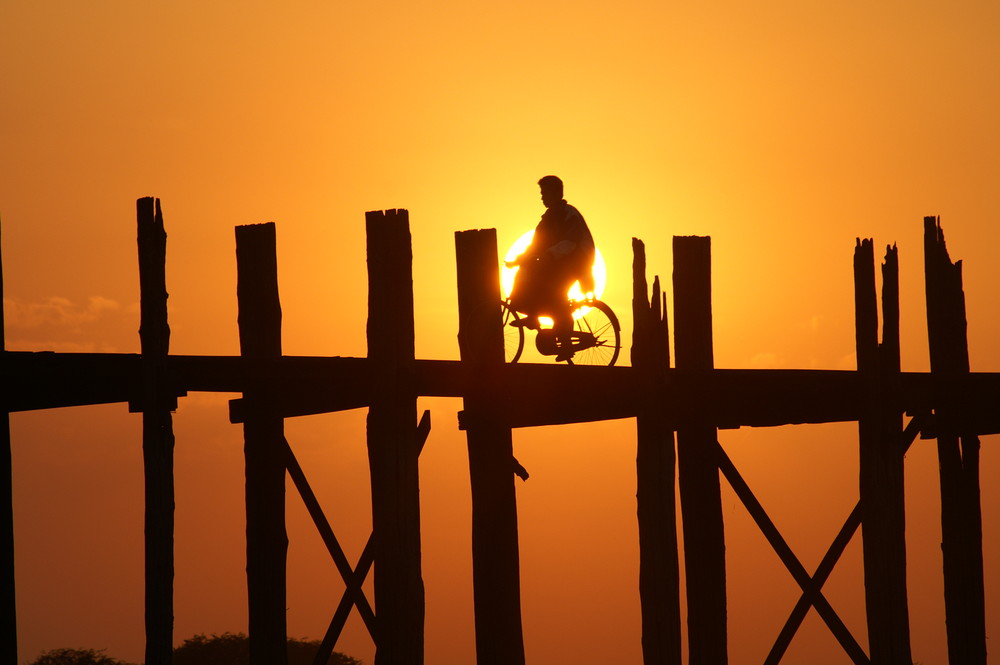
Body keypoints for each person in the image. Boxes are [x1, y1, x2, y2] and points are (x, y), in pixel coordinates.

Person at [506, 175, 595, 360]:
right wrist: (520, 259)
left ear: (555, 193)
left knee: (557, 295)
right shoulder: (547, 219)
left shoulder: (569, 214)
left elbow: (570, 242)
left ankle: (567, 345)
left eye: (544, 193)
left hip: (577, 260)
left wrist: (548, 255)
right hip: (558, 260)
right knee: (528, 273)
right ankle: (532, 313)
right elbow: (536, 244)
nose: (542, 197)